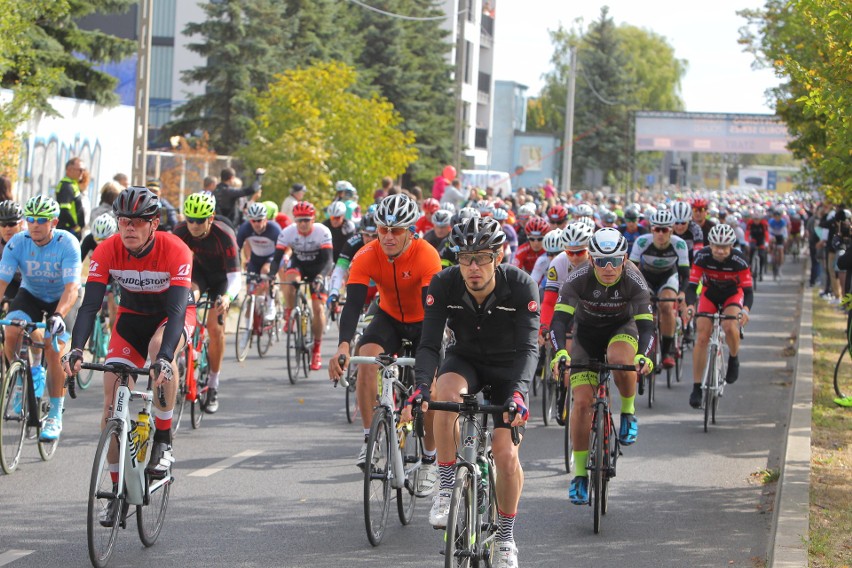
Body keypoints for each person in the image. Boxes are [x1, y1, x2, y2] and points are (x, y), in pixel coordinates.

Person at [401, 216, 536, 568]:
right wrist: (419, 388)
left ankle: (506, 538)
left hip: (509, 370)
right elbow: (430, 345)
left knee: (506, 456)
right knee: (443, 395)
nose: (473, 267)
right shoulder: (443, 283)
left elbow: (528, 349)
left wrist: (519, 395)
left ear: (499, 256)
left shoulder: (521, 286)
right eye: (464, 258)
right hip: (466, 362)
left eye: (482, 257)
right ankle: (446, 488)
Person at [62, 186, 195, 485]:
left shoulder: (176, 250)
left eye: (138, 221)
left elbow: (175, 313)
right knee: (110, 404)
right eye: (124, 220)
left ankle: (163, 438)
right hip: (131, 319)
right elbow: (90, 307)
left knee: (160, 349)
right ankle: (114, 488)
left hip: (170, 316)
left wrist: (162, 358)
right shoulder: (107, 249)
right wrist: (77, 350)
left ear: (154, 224)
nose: (130, 227)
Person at [328, 194, 441, 484]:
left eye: (397, 230)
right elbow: (352, 304)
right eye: (383, 230)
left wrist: (427, 365)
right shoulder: (366, 254)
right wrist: (343, 345)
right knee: (365, 359)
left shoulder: (427, 254)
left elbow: (431, 309)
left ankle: (429, 458)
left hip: (423, 322)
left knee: (431, 389)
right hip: (389, 318)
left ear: (410, 230)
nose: (388, 237)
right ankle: (370, 440)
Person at [549, 228, 653, 506]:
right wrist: (560, 352)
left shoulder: (634, 278)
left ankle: (628, 411)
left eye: (616, 261)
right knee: (582, 402)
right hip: (587, 335)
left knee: (620, 361)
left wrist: (643, 355)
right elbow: (558, 321)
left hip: (622, 328)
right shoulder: (577, 278)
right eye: (602, 261)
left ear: (625, 258)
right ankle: (581, 475)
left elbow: (646, 324)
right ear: (591, 259)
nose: (609, 268)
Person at [0, 196, 81, 441]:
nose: (34, 225)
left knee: (53, 348)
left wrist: (59, 314)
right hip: (31, 294)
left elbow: (71, 288)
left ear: (53, 222)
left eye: (41, 220)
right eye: (31, 219)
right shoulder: (17, 243)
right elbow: (2, 282)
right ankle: (20, 380)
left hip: (61, 299)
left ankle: (55, 413)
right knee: (12, 331)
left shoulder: (67, 243)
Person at [173, 192, 241, 414]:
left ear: (210, 218)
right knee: (184, 299)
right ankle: (183, 352)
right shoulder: (181, 231)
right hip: (199, 276)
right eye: (189, 219)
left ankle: (213, 383)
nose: (193, 224)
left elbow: (235, 277)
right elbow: (170, 266)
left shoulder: (225, 235)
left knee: (215, 328)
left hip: (222, 280)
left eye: (199, 220)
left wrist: (228, 297)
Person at [684, 224, 752, 408]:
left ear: (731, 246)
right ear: (710, 244)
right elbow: (691, 286)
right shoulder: (702, 256)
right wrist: (690, 305)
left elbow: (748, 291)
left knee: (730, 326)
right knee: (702, 337)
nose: (720, 251)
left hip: (732, 293)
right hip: (710, 293)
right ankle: (697, 387)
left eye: (724, 247)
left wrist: (745, 310)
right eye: (716, 246)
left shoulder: (740, 260)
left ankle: (734, 357)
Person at [270, 201, 334, 370]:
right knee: (290, 280)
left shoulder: (322, 232)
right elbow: (277, 259)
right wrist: (270, 276)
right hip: (298, 265)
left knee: (318, 308)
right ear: (295, 221)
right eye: (299, 221)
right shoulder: (287, 232)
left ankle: (317, 350)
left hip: (318, 269)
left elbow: (329, 261)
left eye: (307, 220)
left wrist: (321, 277)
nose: (303, 224)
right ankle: (290, 311)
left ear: (313, 219)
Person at [629, 209, 690, 368]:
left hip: (668, 276)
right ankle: (640, 347)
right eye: (657, 229)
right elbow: (631, 270)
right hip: (646, 276)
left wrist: (682, 293)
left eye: (665, 230)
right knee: (642, 308)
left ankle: (667, 351)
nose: (660, 234)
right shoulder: (642, 242)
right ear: (651, 230)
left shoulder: (679, 244)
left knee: (666, 306)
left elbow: (685, 274)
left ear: (671, 231)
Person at [539, 221, 594, 339]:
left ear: (589, 249)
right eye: (570, 252)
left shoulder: (598, 261)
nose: (574, 257)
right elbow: (549, 301)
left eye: (580, 252)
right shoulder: (558, 262)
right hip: (570, 304)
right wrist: (545, 326)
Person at [236, 202, 282, 320]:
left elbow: (281, 250)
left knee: (266, 271)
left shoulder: (274, 229)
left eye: (259, 220)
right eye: (253, 221)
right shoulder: (245, 229)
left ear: (266, 219)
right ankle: (247, 329)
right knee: (250, 292)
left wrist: (274, 270)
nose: (256, 223)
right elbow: (236, 249)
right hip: (255, 259)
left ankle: (271, 304)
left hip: (271, 257)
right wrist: (236, 266)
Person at [55, 157, 87, 240]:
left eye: (84, 170)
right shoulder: (67, 186)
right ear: (69, 170)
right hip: (68, 230)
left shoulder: (72, 184)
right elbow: (64, 210)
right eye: (80, 170)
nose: (82, 173)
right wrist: (75, 227)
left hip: (71, 230)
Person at [0, 200, 24, 301]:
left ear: (21, 223)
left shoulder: (31, 239)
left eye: (12, 224)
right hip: (10, 281)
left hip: (33, 283)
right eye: (3, 224)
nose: (7, 228)